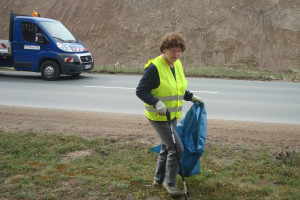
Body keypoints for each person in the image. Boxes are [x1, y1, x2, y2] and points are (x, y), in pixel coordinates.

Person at [136, 32, 204, 197]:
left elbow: (177, 88)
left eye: (179, 51)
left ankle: (158, 179)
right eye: (173, 50)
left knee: (167, 146)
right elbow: (141, 91)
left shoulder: (177, 64)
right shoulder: (154, 68)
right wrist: (156, 102)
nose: (176, 54)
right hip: (158, 116)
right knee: (176, 148)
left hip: (172, 114)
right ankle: (170, 181)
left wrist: (190, 96)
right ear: (164, 49)